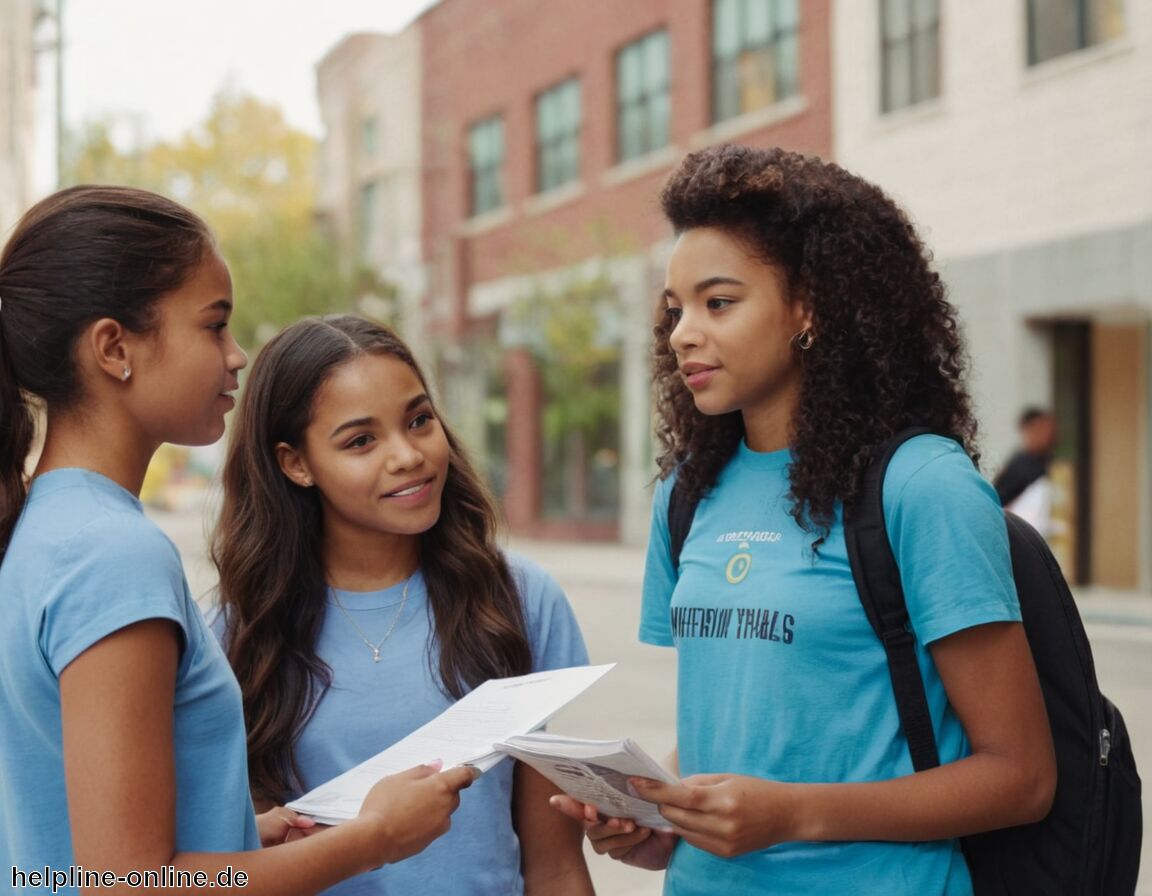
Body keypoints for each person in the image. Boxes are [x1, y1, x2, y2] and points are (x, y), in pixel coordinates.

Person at [551, 144, 1057, 894]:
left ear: (809, 307)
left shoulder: (921, 486)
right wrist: (661, 816)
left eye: (718, 303)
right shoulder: (687, 492)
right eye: (675, 310)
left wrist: (792, 816)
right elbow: (735, 739)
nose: (684, 332)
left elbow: (1020, 778)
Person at [0, 186, 474, 894]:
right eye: (213, 325)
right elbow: (125, 882)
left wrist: (236, 834)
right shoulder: (111, 554)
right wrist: (375, 839)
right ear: (113, 347)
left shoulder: (48, 528)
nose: (237, 353)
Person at [210, 314, 595, 896]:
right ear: (296, 463)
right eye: (361, 440)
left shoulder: (520, 601)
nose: (408, 456)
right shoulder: (236, 631)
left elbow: (555, 867)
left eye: (419, 420)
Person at [992, 407, 1058, 536]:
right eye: (1040, 428)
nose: (1048, 434)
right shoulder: (1019, 465)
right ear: (1027, 430)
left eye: (1050, 429)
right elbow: (999, 503)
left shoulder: (1052, 463)